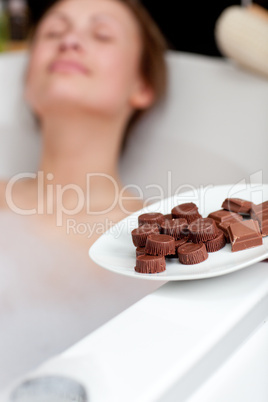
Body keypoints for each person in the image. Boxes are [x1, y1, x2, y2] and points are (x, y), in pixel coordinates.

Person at [0, 0, 168, 389]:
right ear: (27, 82)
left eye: (101, 34)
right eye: (54, 33)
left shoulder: (165, 243)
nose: (70, 41)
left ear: (142, 85)